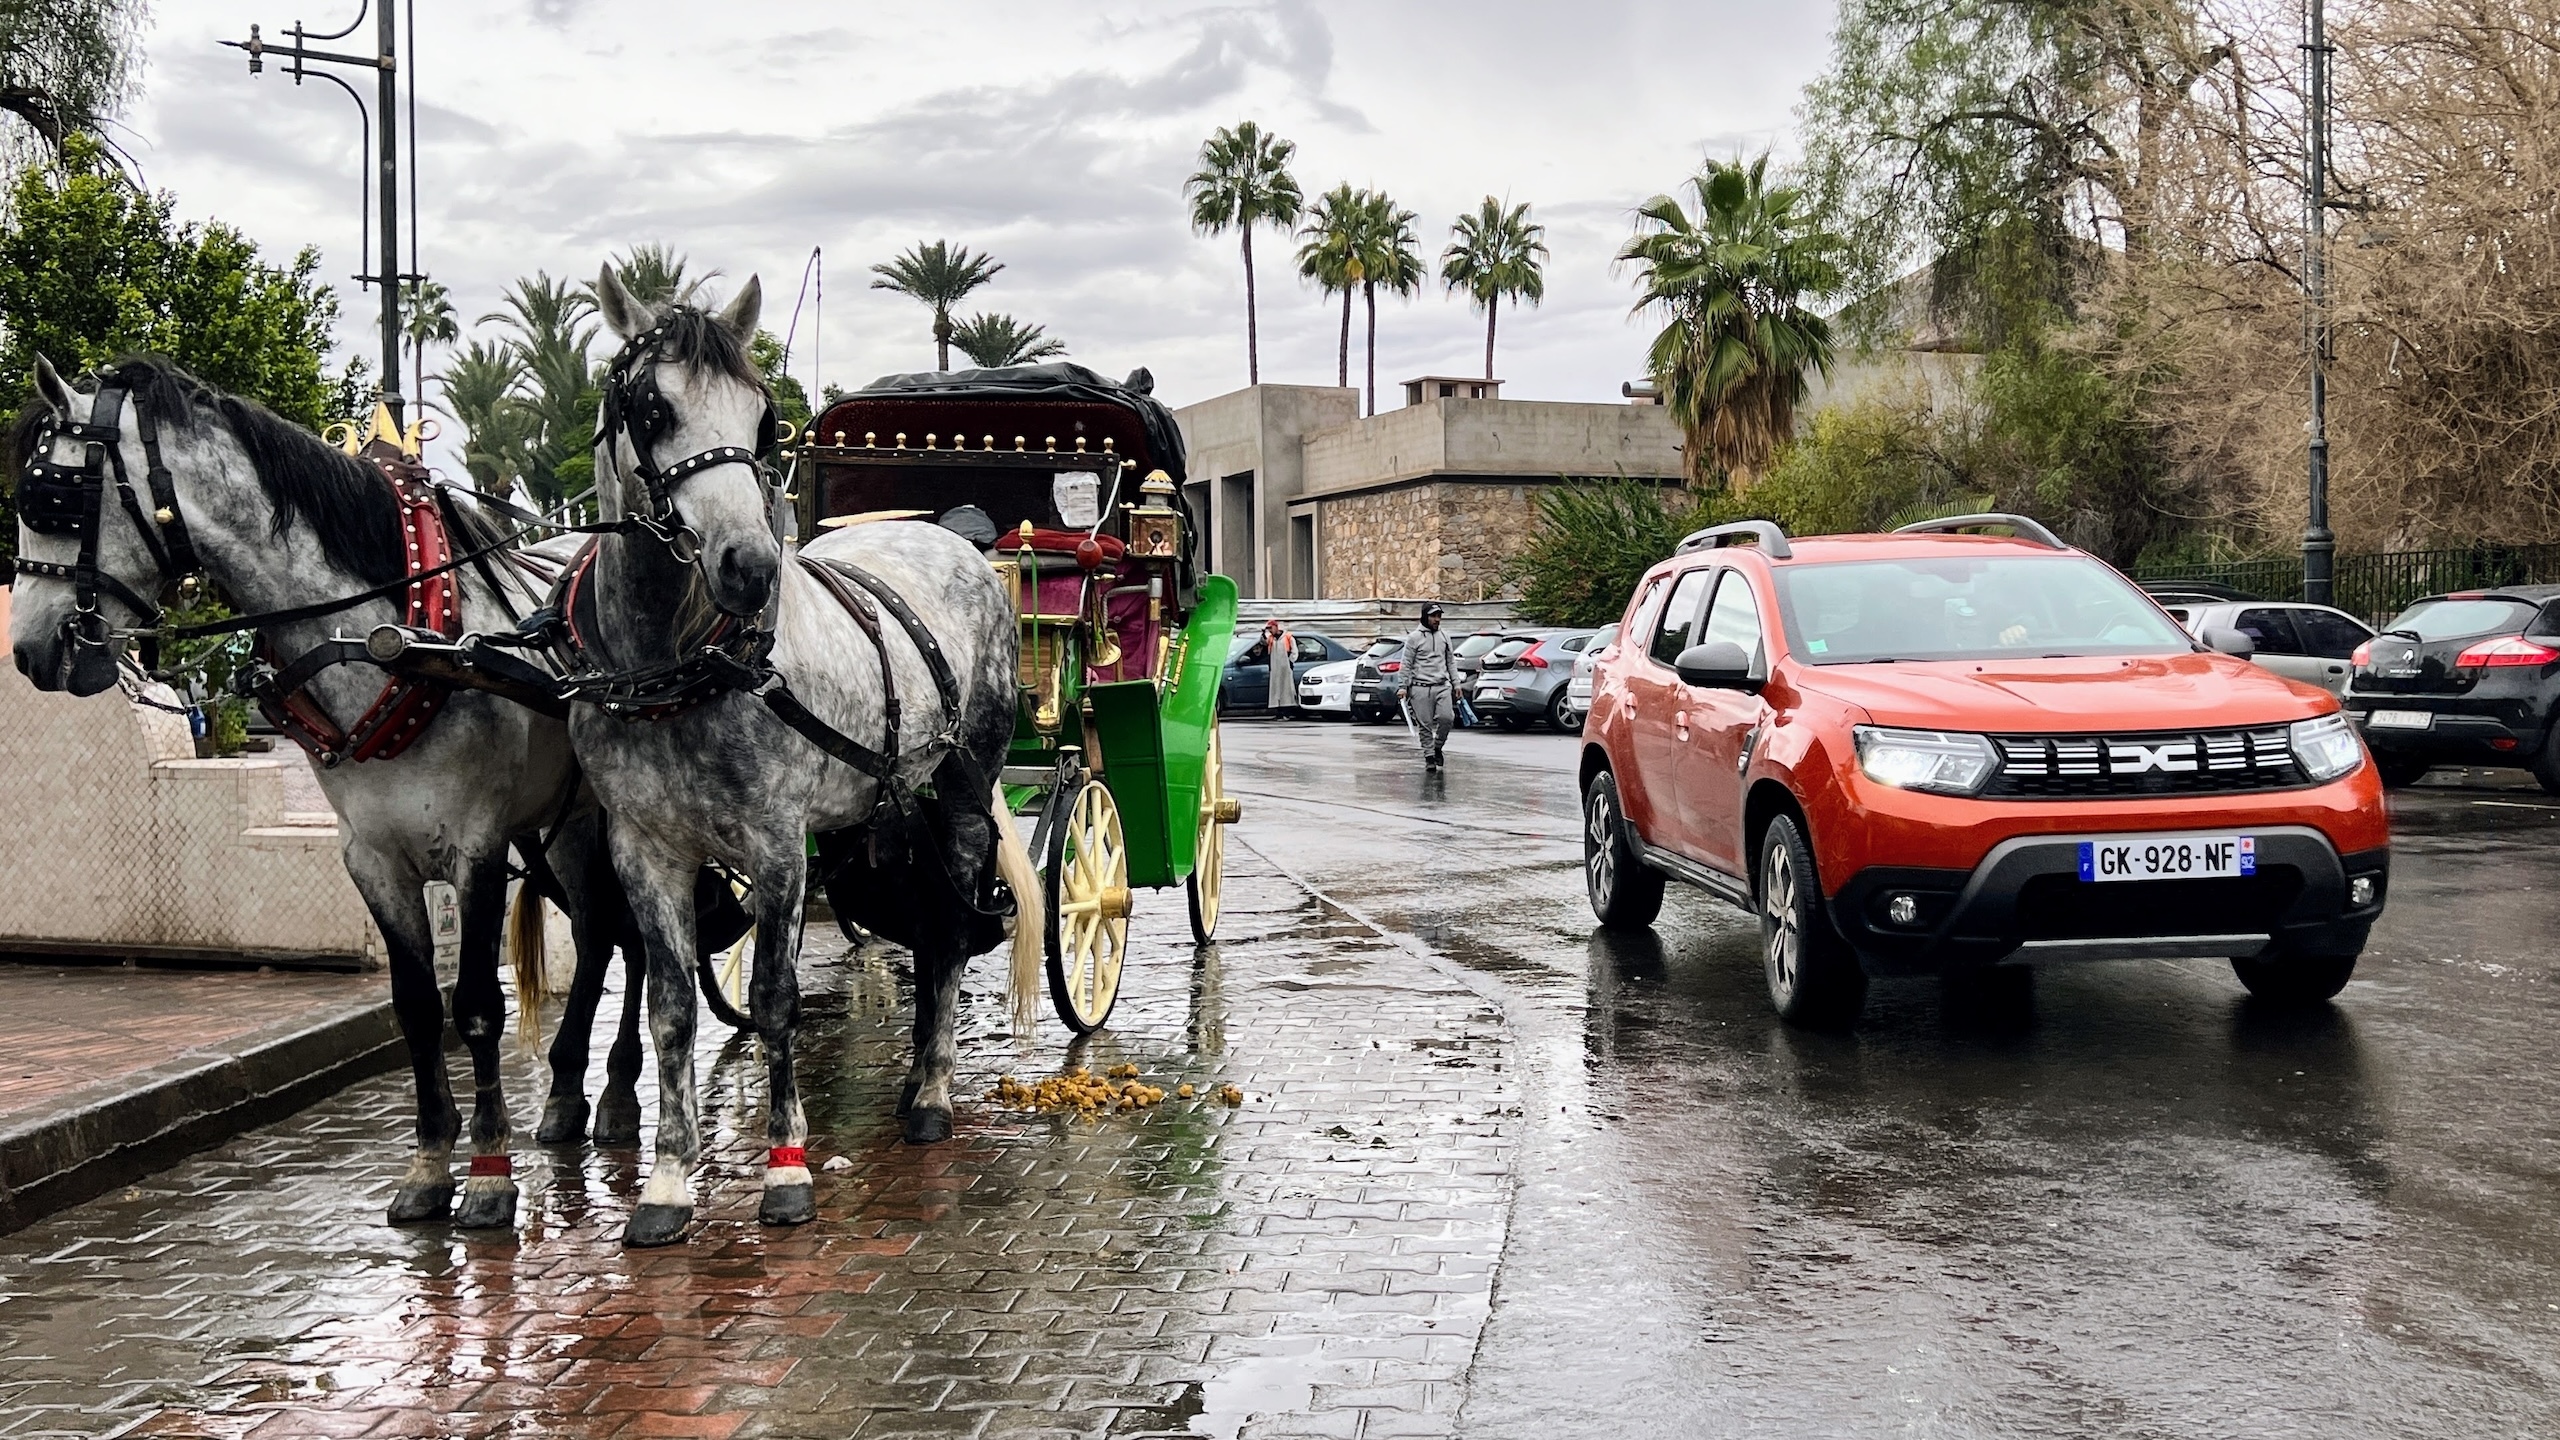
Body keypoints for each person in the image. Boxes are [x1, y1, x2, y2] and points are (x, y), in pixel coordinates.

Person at [1400, 604, 1458, 768]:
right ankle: (1429, 757)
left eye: (1439, 616)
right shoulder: (1414, 638)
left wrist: (1456, 683)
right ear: (1425, 617)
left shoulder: (1445, 636)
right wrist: (1402, 686)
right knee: (1424, 724)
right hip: (1420, 687)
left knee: (1447, 718)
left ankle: (1437, 746)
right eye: (1433, 616)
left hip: (1441, 685)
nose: (1437, 620)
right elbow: (1406, 664)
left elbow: (1450, 662)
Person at [1261, 618, 1297, 716]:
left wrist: (1290, 661)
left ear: (1276, 627)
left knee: (1286, 689)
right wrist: (1263, 633)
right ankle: (1279, 711)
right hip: (1275, 668)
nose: (1270, 630)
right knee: (1276, 690)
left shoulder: (1288, 637)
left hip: (1285, 667)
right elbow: (1263, 642)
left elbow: (1294, 651)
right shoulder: (1272, 639)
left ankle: (1287, 711)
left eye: (1270, 628)